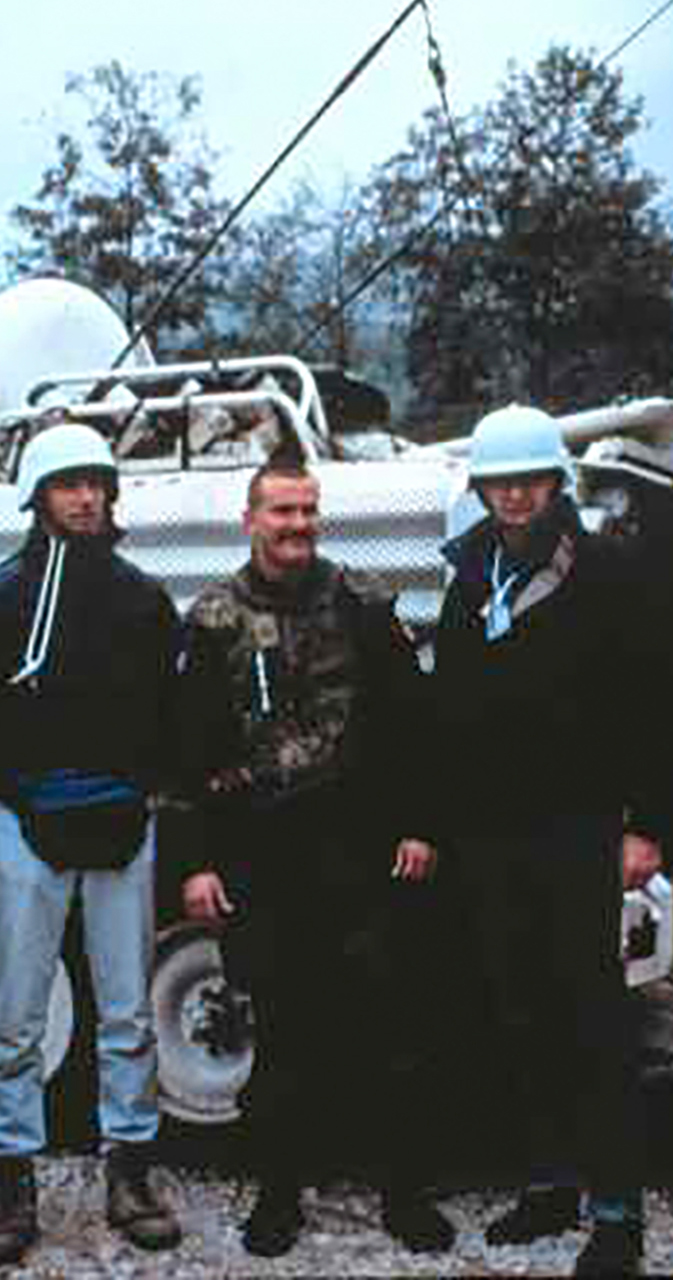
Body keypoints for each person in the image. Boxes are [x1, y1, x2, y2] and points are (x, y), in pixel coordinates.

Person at [173, 458, 456, 1259]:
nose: (296, 526)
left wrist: (420, 826)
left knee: (389, 1024)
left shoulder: (363, 606)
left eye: (306, 512)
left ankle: (404, 1191)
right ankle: (278, 1191)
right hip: (264, 856)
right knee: (283, 1028)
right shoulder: (214, 620)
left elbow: (413, 727)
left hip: (363, 852)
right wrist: (197, 862)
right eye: (281, 512)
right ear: (250, 519)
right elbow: (187, 752)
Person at [430, 406, 673, 1276]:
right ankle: (546, 1184)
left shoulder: (604, 570)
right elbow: (450, 703)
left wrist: (645, 825)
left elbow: (655, 704)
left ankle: (617, 1216)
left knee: (594, 1016)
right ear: (483, 489)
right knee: (517, 1007)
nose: (516, 495)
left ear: (555, 485)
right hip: (492, 834)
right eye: (500, 482)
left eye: (530, 480)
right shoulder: (469, 575)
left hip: (577, 829)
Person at [0, 422, 183, 1267]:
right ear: (37, 497)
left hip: (121, 822)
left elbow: (167, 707)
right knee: (15, 1015)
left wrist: (140, 789)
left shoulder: (142, 598)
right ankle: (13, 1182)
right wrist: (7, 796)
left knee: (126, 1011)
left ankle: (131, 1172)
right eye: (68, 484)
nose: (85, 497)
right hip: (26, 826)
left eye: (96, 484)